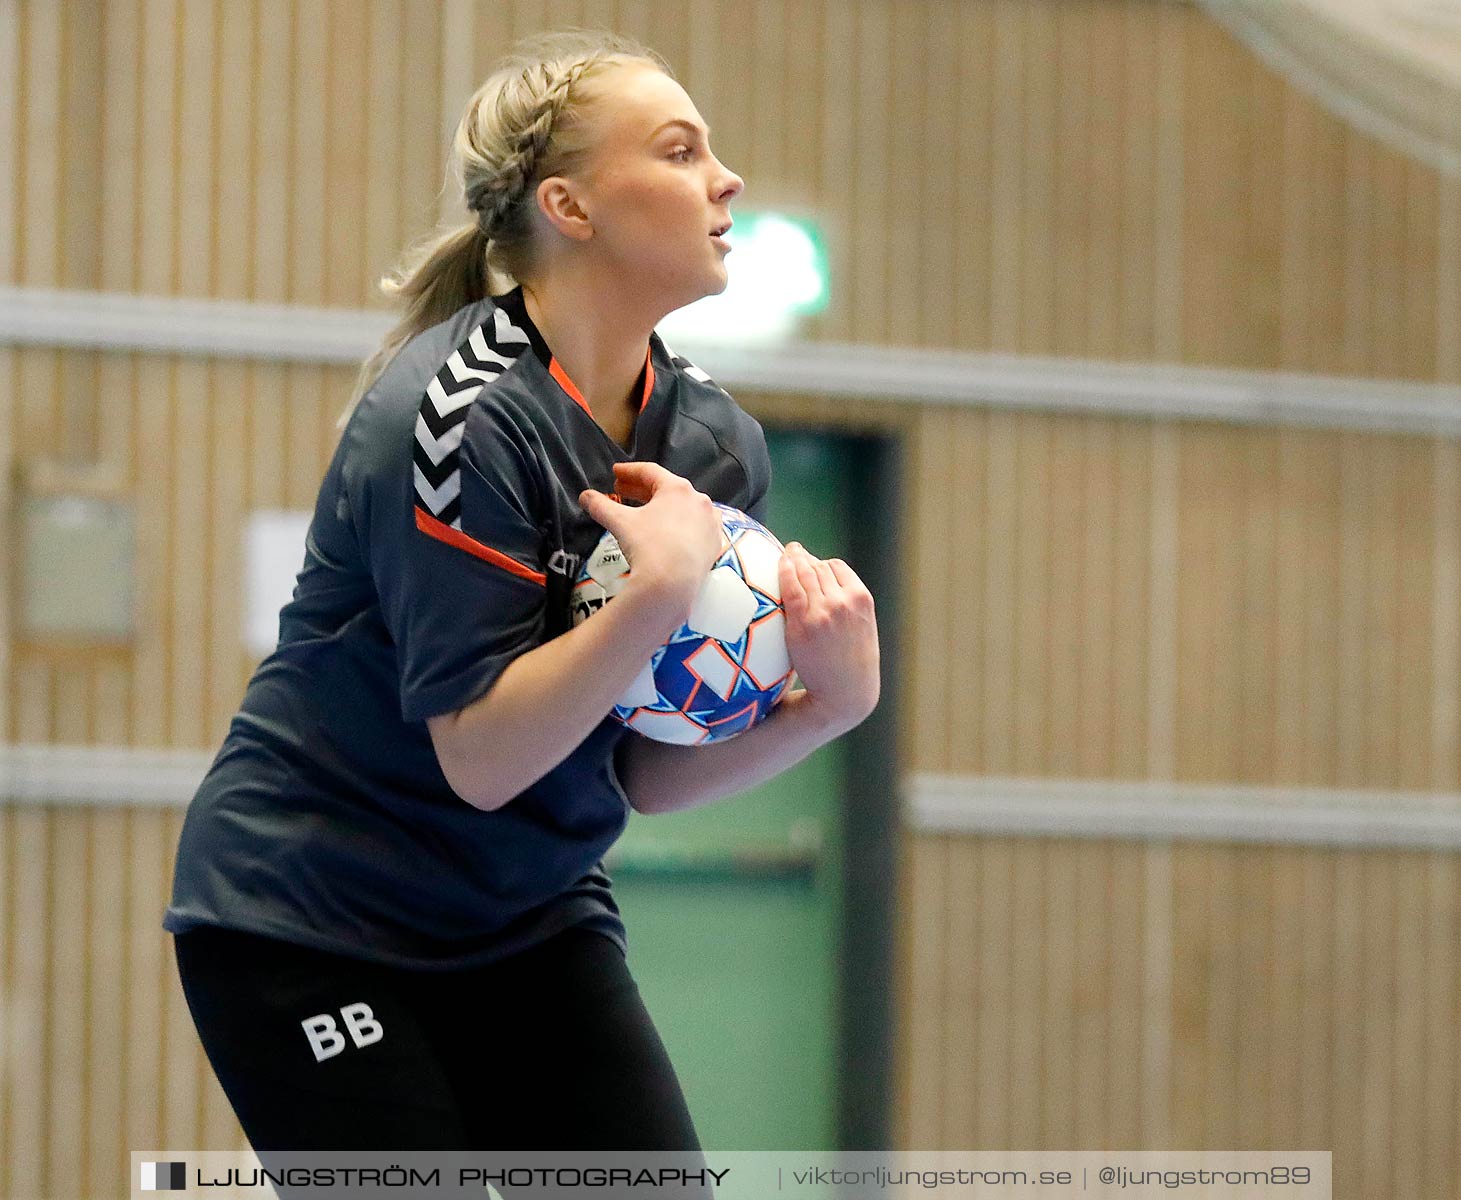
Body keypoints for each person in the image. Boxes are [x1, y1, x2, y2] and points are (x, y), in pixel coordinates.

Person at [164, 29, 880, 1166]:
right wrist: (660, 589)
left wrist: (825, 709)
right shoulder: (453, 419)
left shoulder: (713, 445)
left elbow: (641, 769)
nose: (727, 177)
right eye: (682, 150)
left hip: (526, 918)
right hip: (313, 920)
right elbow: (483, 759)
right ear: (570, 206)